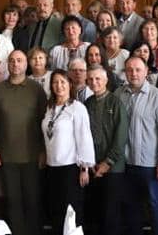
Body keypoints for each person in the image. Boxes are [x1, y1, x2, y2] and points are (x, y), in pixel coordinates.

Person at [0, 50, 47, 235]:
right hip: (7, 156)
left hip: (32, 155)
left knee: (33, 201)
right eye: (12, 60)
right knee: (13, 202)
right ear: (7, 64)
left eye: (20, 60)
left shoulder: (36, 89)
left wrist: (43, 150)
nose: (15, 64)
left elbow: (45, 121)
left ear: (26, 64)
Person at [117, 56, 158, 235]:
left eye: (138, 70)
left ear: (146, 72)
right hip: (126, 163)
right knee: (131, 206)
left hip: (150, 164)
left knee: (155, 205)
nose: (133, 73)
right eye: (129, 70)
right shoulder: (118, 94)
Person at [42, 70, 95, 234]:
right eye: (55, 82)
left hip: (70, 168)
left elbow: (84, 137)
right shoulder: (50, 108)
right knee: (56, 211)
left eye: (63, 82)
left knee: (71, 213)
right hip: (52, 167)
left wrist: (84, 168)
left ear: (70, 85)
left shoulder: (77, 108)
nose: (59, 86)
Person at [84, 65, 129, 235]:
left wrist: (107, 162)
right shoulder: (88, 103)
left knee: (111, 214)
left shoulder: (115, 103)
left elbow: (121, 136)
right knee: (96, 214)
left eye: (98, 79)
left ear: (106, 80)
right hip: (92, 166)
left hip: (113, 168)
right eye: (90, 79)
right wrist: (89, 163)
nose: (94, 82)